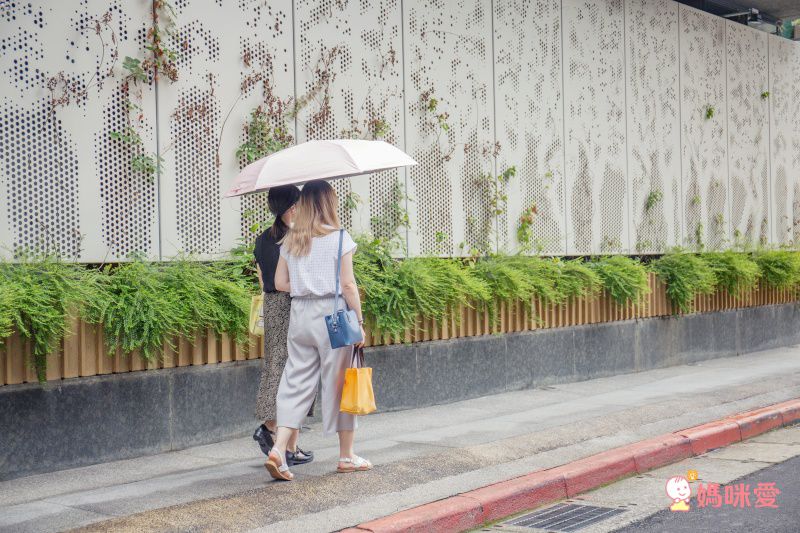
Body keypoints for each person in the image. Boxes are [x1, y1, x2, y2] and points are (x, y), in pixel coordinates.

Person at [266, 180, 371, 481]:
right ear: (329, 203)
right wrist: (360, 323)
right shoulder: (339, 238)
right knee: (341, 384)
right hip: (333, 315)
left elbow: (280, 284)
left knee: (295, 381)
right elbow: (349, 285)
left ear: (305, 204)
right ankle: (346, 457)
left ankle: (279, 448)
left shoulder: (291, 240)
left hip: (300, 314)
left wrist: (304, 283)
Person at [252, 184, 313, 467]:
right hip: (289, 304)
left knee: (278, 365)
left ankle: (288, 443)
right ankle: (272, 431)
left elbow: (262, 275)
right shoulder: (292, 240)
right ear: (291, 208)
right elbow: (288, 279)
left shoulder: (263, 239)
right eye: (298, 205)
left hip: (271, 303)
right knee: (292, 368)